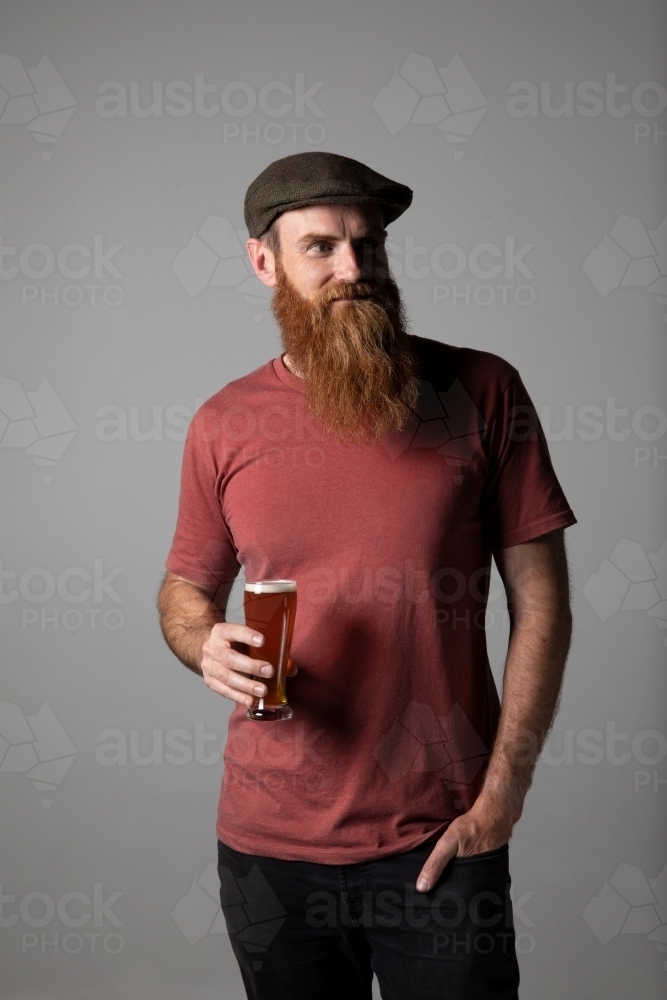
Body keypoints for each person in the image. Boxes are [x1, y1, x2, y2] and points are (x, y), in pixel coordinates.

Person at [158, 151, 576, 1000]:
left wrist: (503, 795)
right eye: (321, 248)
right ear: (263, 261)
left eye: (369, 246)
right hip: (267, 849)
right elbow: (184, 589)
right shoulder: (223, 423)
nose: (353, 270)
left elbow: (543, 605)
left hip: (442, 839)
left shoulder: (481, 390)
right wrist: (201, 644)